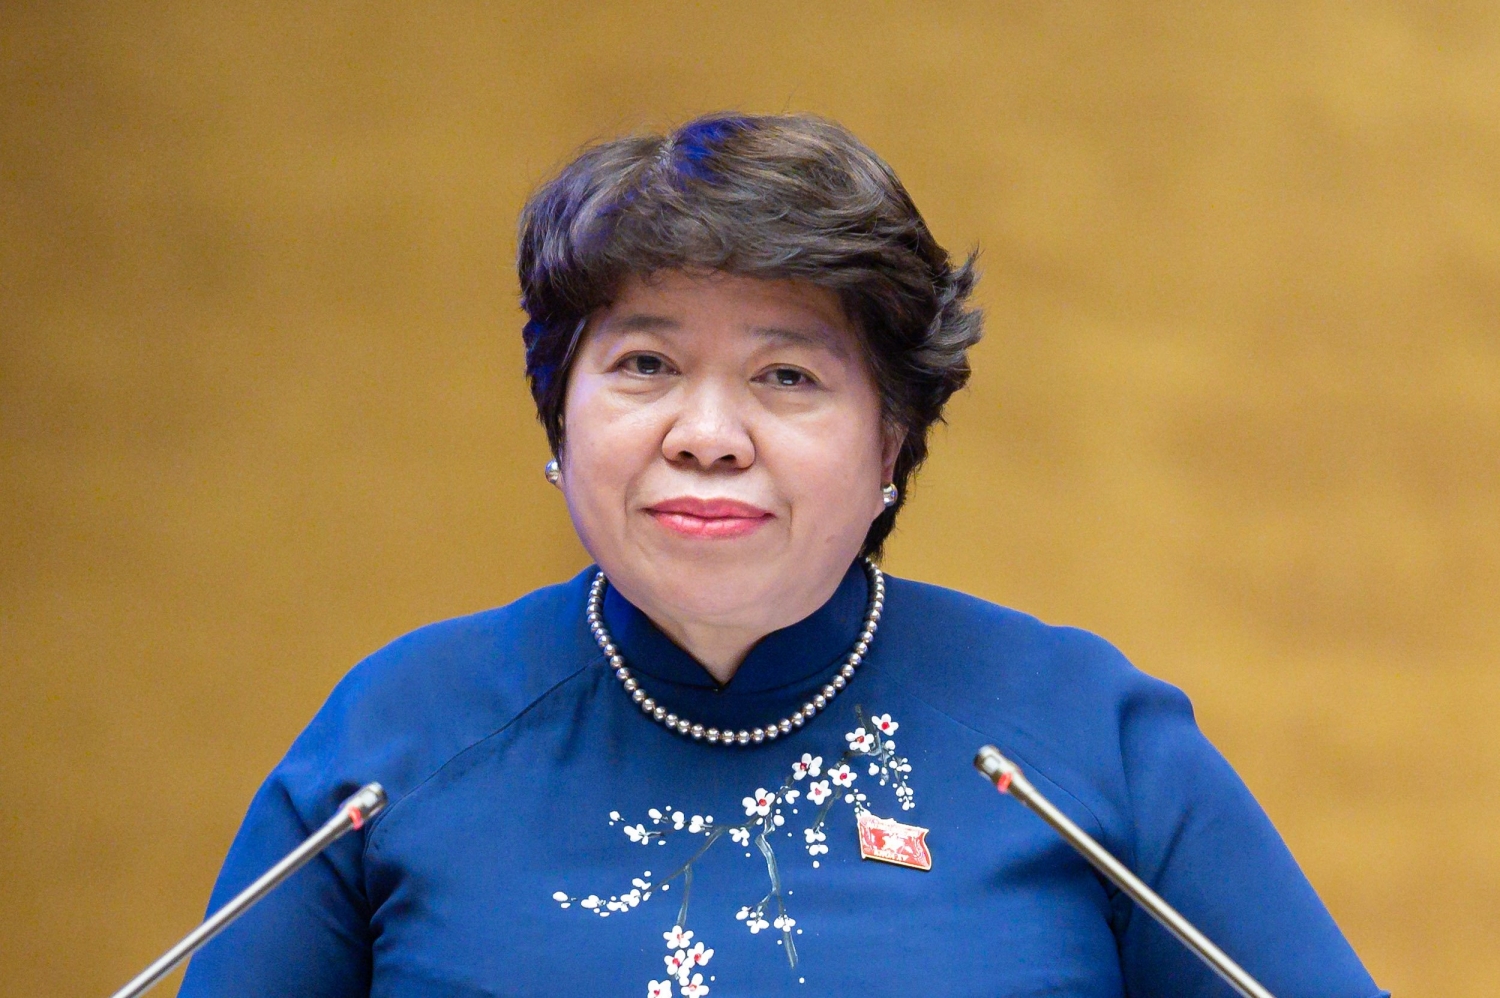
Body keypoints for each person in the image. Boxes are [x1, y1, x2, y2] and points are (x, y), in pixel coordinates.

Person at [179, 113, 1386, 998]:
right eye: (646, 364)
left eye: (787, 375)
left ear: (891, 441)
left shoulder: (1078, 736)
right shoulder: (396, 738)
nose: (707, 435)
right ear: (560, 419)